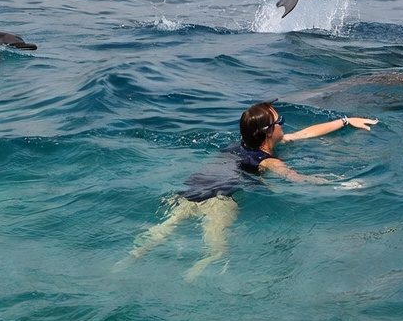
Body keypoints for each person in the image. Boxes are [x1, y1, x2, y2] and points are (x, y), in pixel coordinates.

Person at [122, 100, 378, 280]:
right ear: (269, 133)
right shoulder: (268, 160)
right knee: (216, 252)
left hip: (189, 192)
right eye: (281, 121)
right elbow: (298, 179)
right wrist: (343, 184)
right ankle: (189, 281)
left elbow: (305, 134)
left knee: (159, 233)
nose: (284, 126)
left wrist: (345, 121)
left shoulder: (240, 145)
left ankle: (124, 263)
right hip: (218, 201)